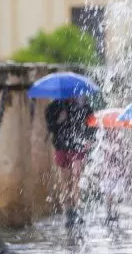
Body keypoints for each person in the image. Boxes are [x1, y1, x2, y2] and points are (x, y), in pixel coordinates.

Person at [45, 97, 95, 230]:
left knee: (76, 178)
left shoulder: (83, 106)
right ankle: (68, 211)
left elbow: (91, 123)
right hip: (61, 147)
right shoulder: (54, 106)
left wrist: (90, 139)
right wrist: (59, 120)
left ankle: (77, 209)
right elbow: (50, 127)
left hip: (78, 147)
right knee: (65, 182)